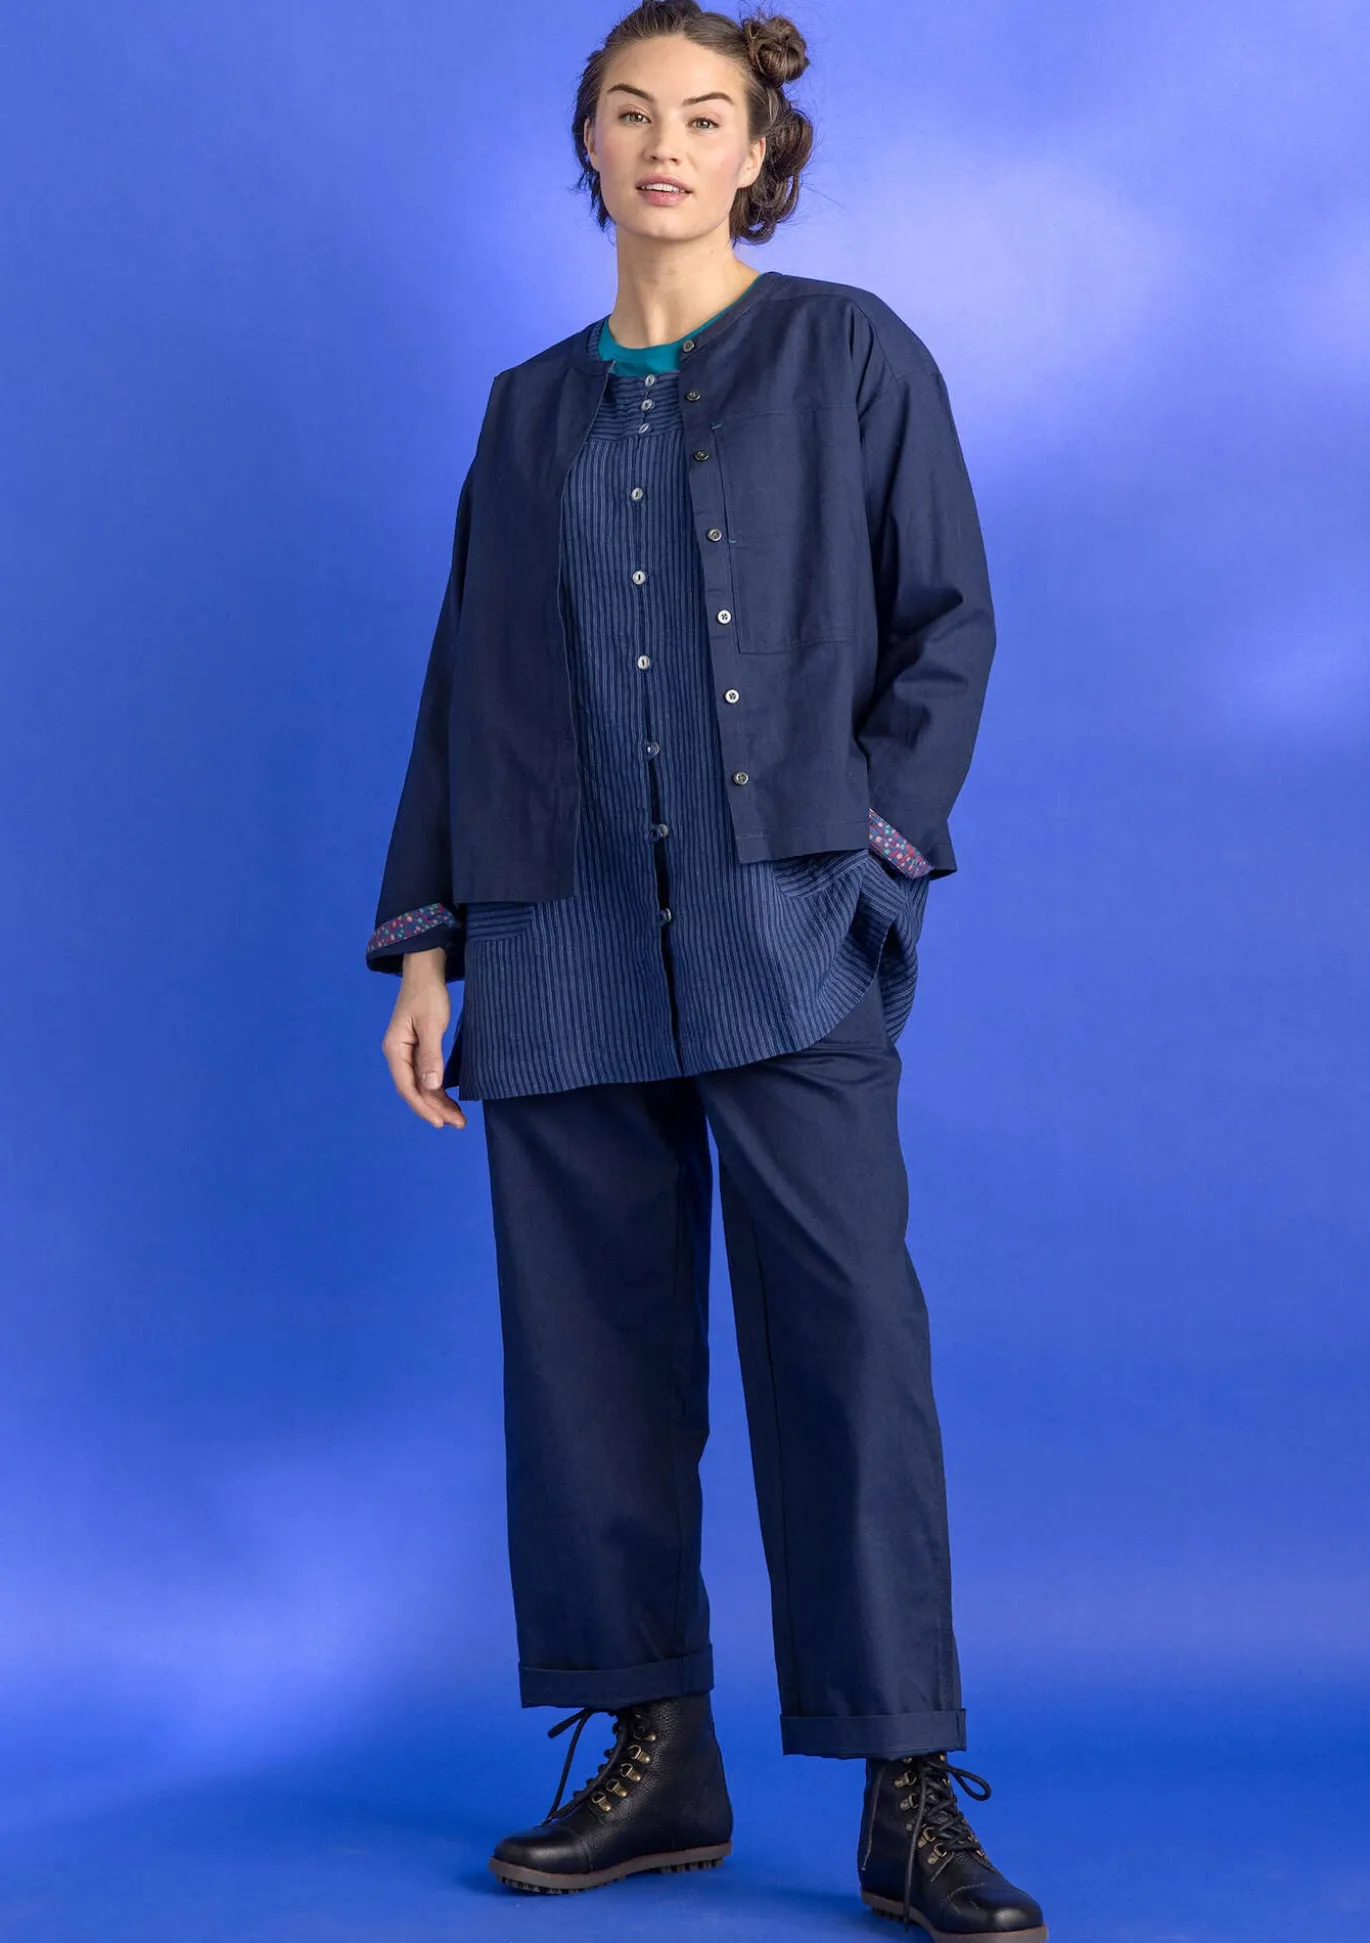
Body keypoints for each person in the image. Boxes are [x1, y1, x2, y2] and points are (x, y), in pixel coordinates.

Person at [366, 3, 1045, 1934]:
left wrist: (871, 865)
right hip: (555, 934)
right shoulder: (524, 408)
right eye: (628, 111)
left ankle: (904, 1787)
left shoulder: (849, 352)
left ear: (759, 153)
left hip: (784, 934)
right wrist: (427, 943)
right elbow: (467, 679)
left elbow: (946, 624)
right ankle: (653, 1751)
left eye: (704, 115)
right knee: (586, 1358)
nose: (664, 144)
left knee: (848, 1349)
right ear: (586, 144)